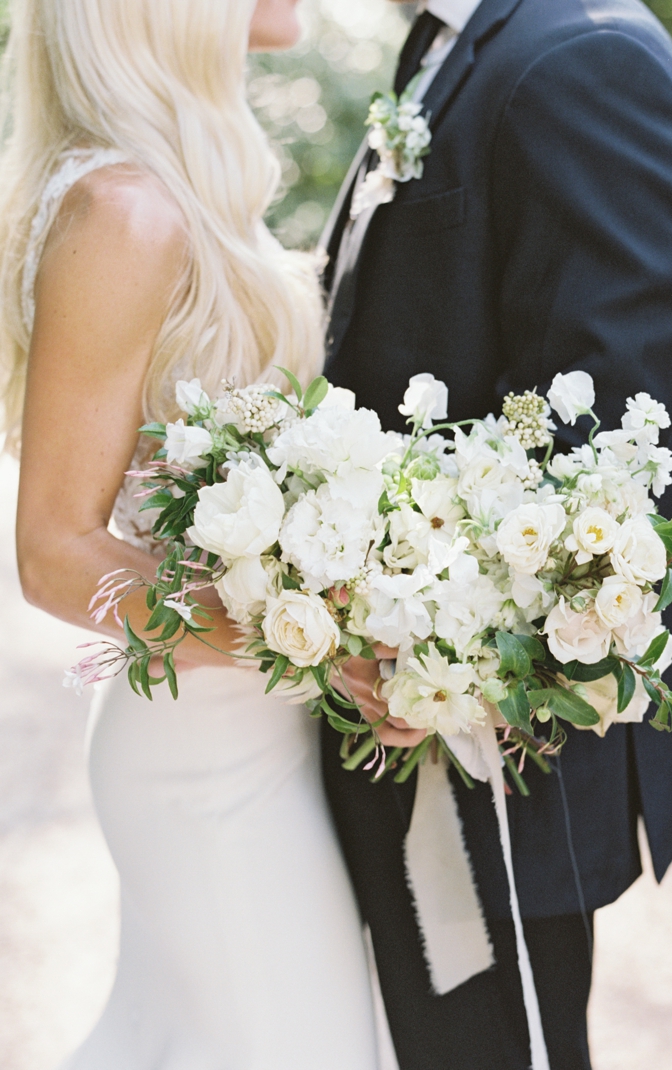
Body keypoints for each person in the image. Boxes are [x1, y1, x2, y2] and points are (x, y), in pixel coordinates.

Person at [314, 0, 672, 1067]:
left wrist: (454, 666)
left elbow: (612, 462)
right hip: (392, 708)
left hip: (480, 749)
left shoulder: (586, 60)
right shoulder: (450, 43)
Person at [0, 0, 384, 1065]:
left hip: (254, 737)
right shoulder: (126, 209)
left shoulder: (172, 189)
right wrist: (319, 643)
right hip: (202, 764)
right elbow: (52, 552)